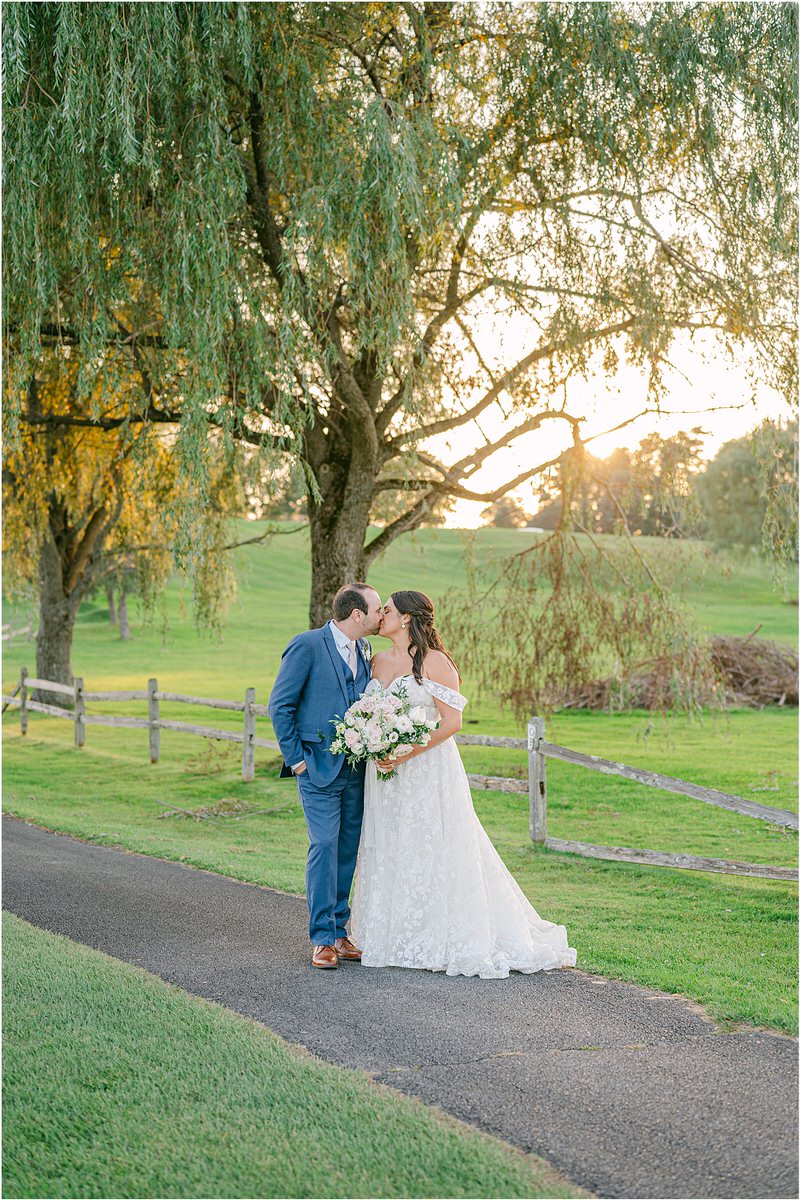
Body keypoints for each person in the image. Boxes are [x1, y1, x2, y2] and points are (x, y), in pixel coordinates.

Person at [351, 590, 577, 979]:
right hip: (385, 774)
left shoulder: (435, 662)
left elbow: (451, 722)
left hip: (426, 769)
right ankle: (393, 932)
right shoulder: (376, 661)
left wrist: (405, 751)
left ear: (406, 618)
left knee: (434, 844)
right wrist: (373, 741)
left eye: (386, 610)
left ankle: (440, 935)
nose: (380, 616)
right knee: (389, 843)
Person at [268, 583, 383, 969]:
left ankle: (338, 930)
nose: (381, 615)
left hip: (356, 768)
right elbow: (279, 705)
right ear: (357, 615)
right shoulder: (307, 644)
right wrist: (296, 761)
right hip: (315, 768)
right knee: (323, 846)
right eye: (377, 609)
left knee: (348, 849)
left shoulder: (364, 650)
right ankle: (320, 939)